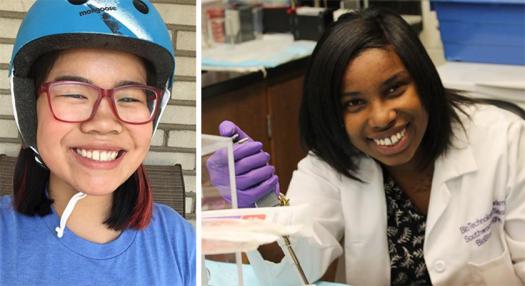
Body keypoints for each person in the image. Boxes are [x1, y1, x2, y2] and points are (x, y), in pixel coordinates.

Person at [214, 8, 525, 285]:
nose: (382, 117)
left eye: (394, 88)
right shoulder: (329, 164)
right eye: (354, 103)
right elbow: (290, 276)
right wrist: (260, 209)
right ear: (334, 113)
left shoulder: (504, 139)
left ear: (424, 81)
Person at [0, 1, 195, 285]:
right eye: (75, 94)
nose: (104, 123)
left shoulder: (179, 240)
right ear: (30, 110)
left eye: (129, 97)